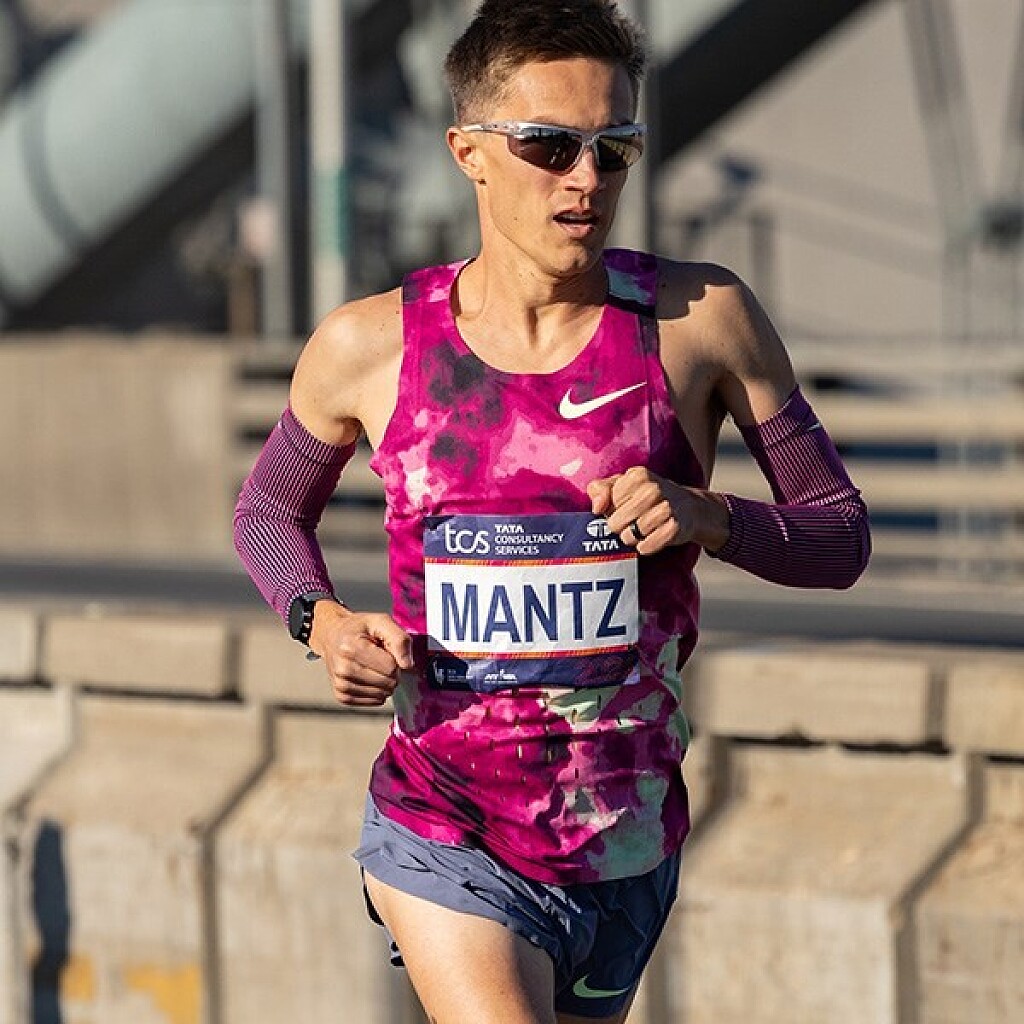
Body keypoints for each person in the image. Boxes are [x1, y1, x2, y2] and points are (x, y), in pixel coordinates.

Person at [234, 1, 870, 1021]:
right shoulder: (371, 346)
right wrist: (323, 621)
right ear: (469, 154)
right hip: (444, 827)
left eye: (614, 148)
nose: (587, 178)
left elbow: (839, 534)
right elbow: (268, 508)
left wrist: (709, 516)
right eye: (549, 145)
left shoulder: (699, 323)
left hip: (626, 838)